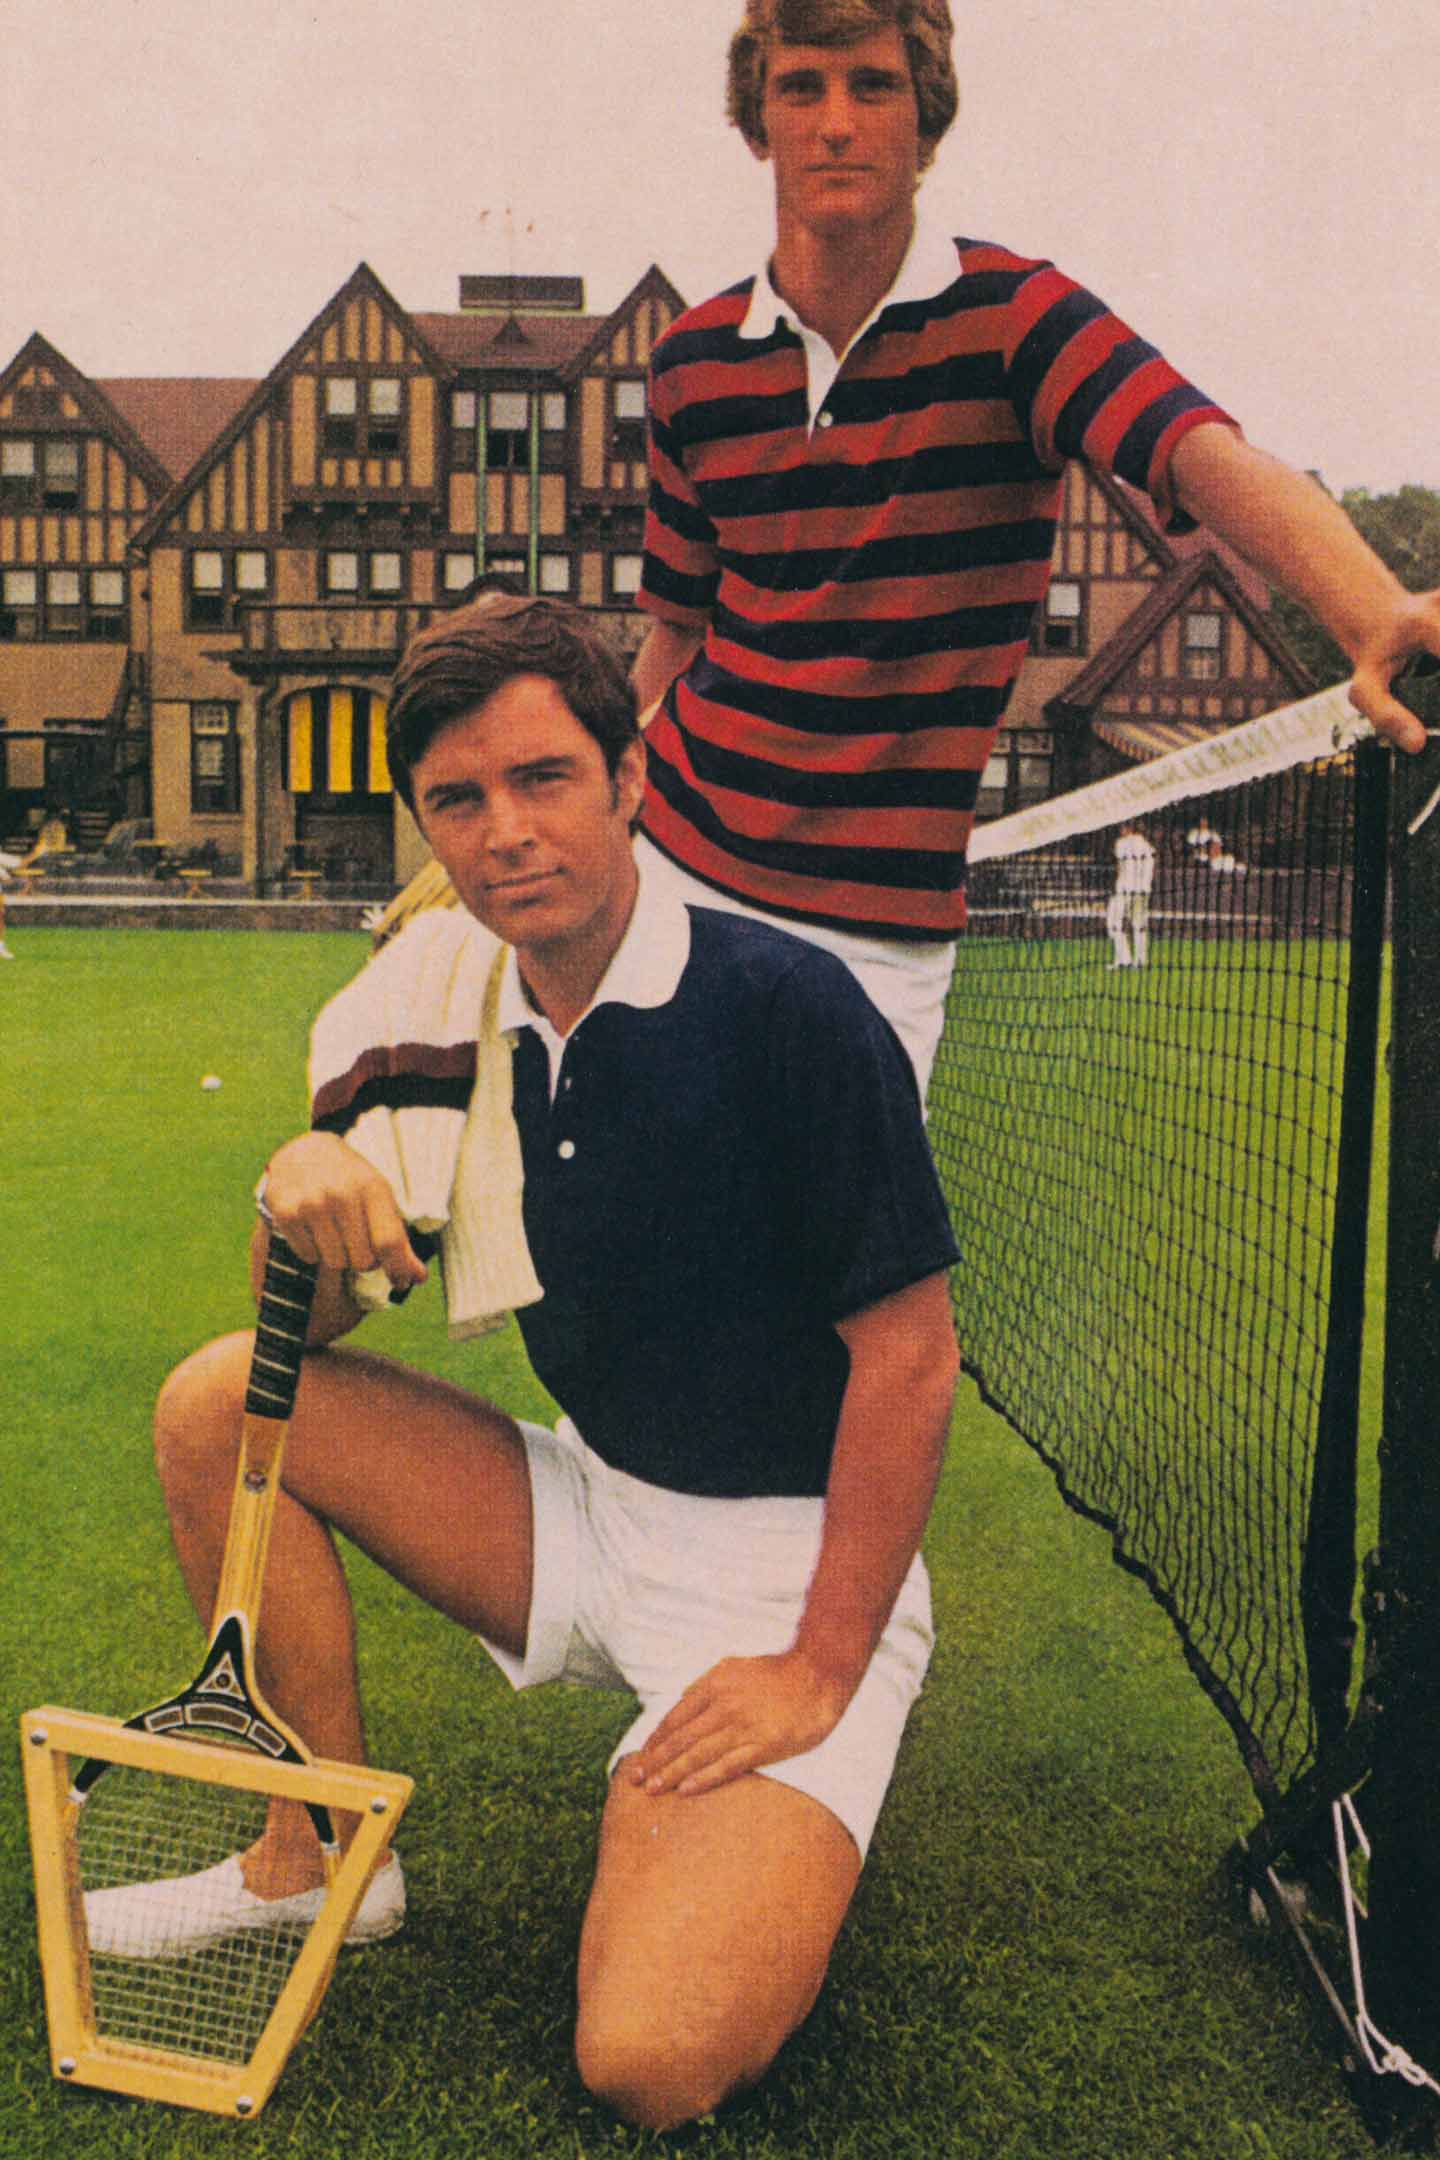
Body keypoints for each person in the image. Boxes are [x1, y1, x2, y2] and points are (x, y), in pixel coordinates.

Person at [104, 594, 961, 2132]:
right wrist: (295, 1196)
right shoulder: (442, 1012)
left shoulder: (788, 1008)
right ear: (427, 823)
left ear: (629, 781)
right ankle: (308, 1868)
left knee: (648, 2060)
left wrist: (818, 1666)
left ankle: (779, 1779)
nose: (504, 831)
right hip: (590, 1504)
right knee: (217, 1395)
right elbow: (315, 1337)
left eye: (545, 777)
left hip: (784, 1570)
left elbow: (910, 1362)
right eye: (459, 799)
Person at [631, 0, 1440, 1095]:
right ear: (758, 121)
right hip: (677, 866)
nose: (835, 122)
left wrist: (1372, 610)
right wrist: (580, 803)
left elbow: (1198, 451)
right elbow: (677, 632)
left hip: (880, 932)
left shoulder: (1017, 319)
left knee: (851, 1267)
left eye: (872, 86)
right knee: (645, 1234)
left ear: (926, 117)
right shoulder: (690, 363)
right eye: (800, 88)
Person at [1106, 824, 1156, 969]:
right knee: (1140, 925)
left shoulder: (1121, 843)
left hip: (1125, 889)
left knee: (1114, 923)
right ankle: (1140, 961)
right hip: (1143, 890)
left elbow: (1119, 868)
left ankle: (1124, 960)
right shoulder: (1146, 844)